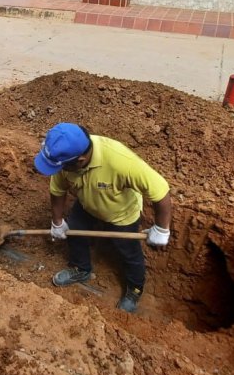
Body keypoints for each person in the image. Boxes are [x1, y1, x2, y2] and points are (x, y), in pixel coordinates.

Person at [33, 123, 172, 313]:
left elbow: (161, 191)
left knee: (129, 253)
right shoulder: (65, 160)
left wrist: (162, 228)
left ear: (80, 160)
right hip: (87, 204)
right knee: (75, 233)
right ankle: (81, 269)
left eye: (61, 166)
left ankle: (134, 289)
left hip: (121, 214)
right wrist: (57, 222)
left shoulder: (120, 161)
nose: (58, 170)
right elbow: (57, 190)